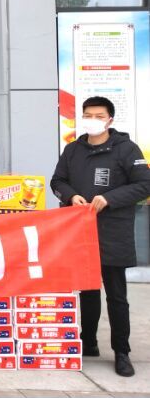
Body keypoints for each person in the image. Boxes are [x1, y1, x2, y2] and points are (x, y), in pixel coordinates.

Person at [51, 96, 150, 378]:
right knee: (87, 290)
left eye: (99, 116)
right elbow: (57, 181)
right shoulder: (73, 150)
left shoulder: (126, 149)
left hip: (113, 231)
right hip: (80, 231)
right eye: (88, 115)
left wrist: (109, 198)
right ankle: (88, 341)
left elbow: (145, 184)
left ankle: (122, 352)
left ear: (110, 120)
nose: (92, 120)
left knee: (116, 294)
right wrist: (71, 196)